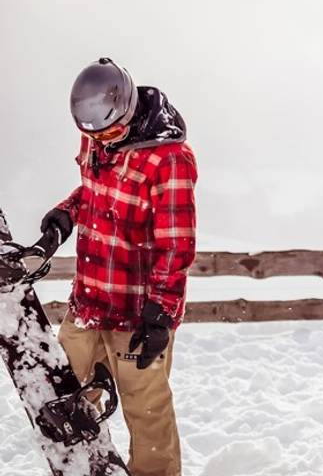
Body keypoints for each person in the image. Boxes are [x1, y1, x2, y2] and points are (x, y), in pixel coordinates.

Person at [40, 58, 197, 476]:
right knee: (62, 391)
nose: (101, 141)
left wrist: (161, 312)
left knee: (145, 411)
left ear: (126, 109)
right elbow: (96, 191)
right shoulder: (98, 140)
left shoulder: (169, 159)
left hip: (137, 310)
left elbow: (176, 244)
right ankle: (84, 466)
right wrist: (66, 214)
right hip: (89, 299)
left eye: (109, 131)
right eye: (92, 135)